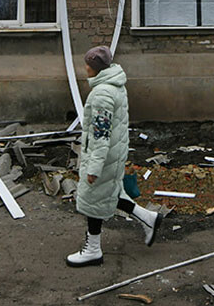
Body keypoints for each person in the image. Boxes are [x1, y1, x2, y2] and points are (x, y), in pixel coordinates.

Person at [67, 46, 164, 267]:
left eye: (88, 64)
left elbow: (101, 135)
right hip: (114, 152)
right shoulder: (115, 85)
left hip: (103, 156)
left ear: (96, 67)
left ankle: (92, 250)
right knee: (110, 194)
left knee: (94, 199)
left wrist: (93, 168)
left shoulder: (102, 93)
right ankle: (149, 219)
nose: (85, 68)